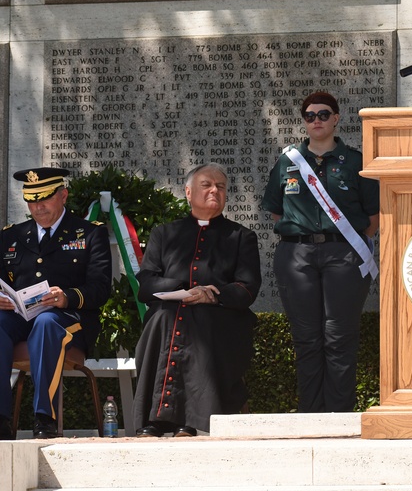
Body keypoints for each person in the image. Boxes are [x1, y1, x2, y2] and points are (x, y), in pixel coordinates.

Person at [263, 91, 380, 412]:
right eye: (310, 115)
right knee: (307, 339)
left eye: (323, 114)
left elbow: (374, 216)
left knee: (339, 337)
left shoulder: (357, 162)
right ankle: (311, 414)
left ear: (336, 118)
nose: (317, 120)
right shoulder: (288, 162)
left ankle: (340, 414)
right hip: (296, 257)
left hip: (343, 255)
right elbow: (276, 211)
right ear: (304, 121)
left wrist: (341, 242)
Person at [133, 163, 261, 437]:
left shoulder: (241, 237)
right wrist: (183, 288)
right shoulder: (164, 234)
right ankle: (155, 419)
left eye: (221, 187)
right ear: (188, 193)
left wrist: (213, 297)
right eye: (207, 185)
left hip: (220, 316)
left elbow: (248, 288)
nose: (215, 190)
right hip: (169, 312)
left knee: (201, 318)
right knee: (162, 318)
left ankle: (194, 420)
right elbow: (145, 284)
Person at [0, 167, 111, 439]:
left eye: (45, 199)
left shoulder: (89, 233)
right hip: (19, 317)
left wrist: (67, 297)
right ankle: (1, 420)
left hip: (68, 320)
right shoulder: (11, 235)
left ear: (63, 195)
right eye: (31, 200)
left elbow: (100, 289)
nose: (37, 207)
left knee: (47, 322)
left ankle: (44, 419)